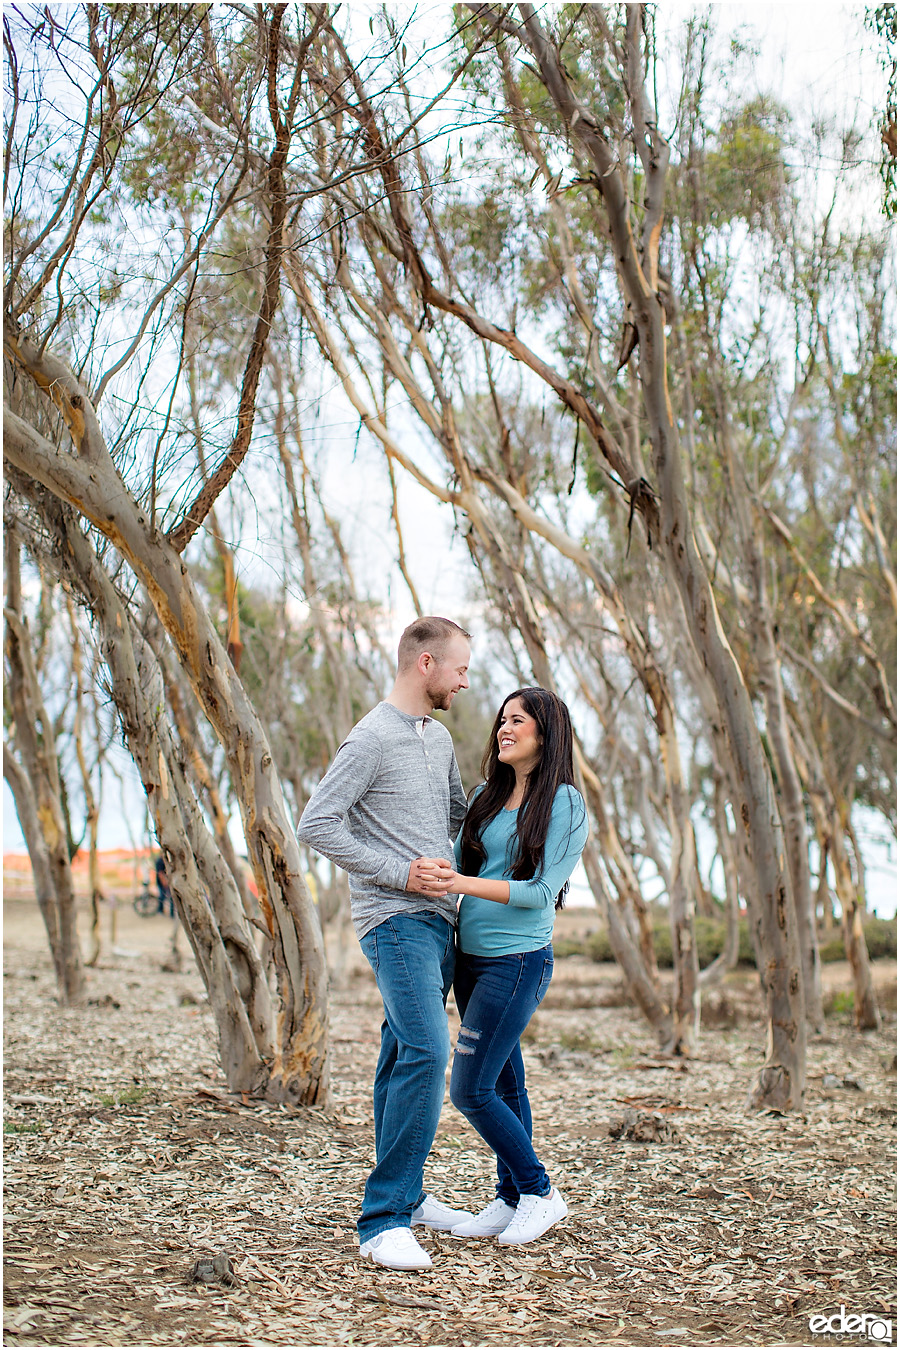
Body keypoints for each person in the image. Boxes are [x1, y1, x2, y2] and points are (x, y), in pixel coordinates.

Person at [296, 616, 475, 1271]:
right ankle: (383, 1220)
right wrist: (399, 872)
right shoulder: (370, 738)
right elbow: (316, 823)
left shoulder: (441, 737)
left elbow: (456, 814)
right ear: (424, 664)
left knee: (403, 1053)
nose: (463, 680)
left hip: (443, 921)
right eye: (458, 668)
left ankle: (412, 1197)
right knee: (429, 1050)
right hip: (393, 921)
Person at [440, 687, 589, 1246]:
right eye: (502, 720)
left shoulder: (565, 803)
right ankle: (510, 1200)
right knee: (505, 1085)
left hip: (518, 962)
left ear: (545, 735)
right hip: (471, 963)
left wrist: (460, 884)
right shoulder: (484, 796)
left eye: (518, 721)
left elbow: (540, 892)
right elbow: (452, 861)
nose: (505, 729)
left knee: (470, 1090)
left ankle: (539, 1191)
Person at [155, 853, 174, 917]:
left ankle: (172, 913)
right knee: (162, 896)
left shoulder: (166, 861)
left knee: (171, 897)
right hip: (162, 882)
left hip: (167, 881)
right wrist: (164, 882)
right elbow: (160, 873)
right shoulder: (160, 861)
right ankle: (160, 910)